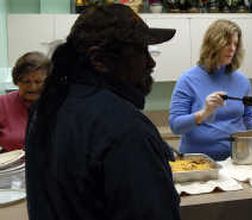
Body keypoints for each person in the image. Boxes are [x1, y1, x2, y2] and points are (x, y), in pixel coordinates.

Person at [25, 4, 180, 220]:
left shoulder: (45, 108)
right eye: (139, 51)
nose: (150, 62)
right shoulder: (124, 128)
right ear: (99, 60)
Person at [169, 19, 252, 161]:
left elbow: (249, 120)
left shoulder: (242, 81)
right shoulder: (188, 80)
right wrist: (204, 113)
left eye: (235, 44)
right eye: (227, 43)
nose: (232, 48)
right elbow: (176, 126)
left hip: (237, 159)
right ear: (213, 44)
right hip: (199, 162)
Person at [0, 51, 50, 152]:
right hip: (11, 165)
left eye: (38, 82)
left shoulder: (57, 105)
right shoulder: (2, 103)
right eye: (26, 81)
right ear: (16, 81)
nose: (32, 87)